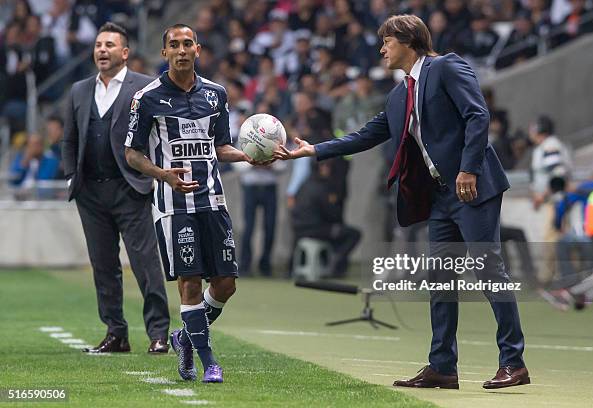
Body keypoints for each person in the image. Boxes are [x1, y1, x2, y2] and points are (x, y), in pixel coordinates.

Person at [276, 14, 528, 390]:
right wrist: (314, 150)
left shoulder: (447, 66)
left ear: (408, 41)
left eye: (387, 42)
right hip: (441, 197)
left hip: (471, 188)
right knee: (440, 280)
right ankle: (443, 367)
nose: (381, 49)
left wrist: (469, 169)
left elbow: (478, 114)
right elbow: (365, 135)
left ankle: (514, 362)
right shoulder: (399, 95)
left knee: (488, 270)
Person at [125, 24, 266, 383]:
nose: (182, 50)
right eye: (174, 45)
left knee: (226, 284)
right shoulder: (147, 97)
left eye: (188, 44)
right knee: (189, 282)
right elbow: (131, 153)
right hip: (173, 205)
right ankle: (208, 362)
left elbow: (221, 147)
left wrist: (250, 156)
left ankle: (185, 337)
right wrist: (162, 174)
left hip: (214, 201)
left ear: (198, 49)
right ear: (165, 53)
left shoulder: (216, 95)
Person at [62, 22, 170, 354]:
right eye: (98, 45)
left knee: (145, 263)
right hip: (90, 193)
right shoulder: (79, 90)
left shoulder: (145, 86)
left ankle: (159, 333)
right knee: (103, 265)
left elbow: (160, 133)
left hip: (131, 189)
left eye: (109, 44)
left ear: (125, 53)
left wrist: (154, 174)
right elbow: (69, 139)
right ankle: (116, 333)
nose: (102, 50)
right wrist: (72, 177)